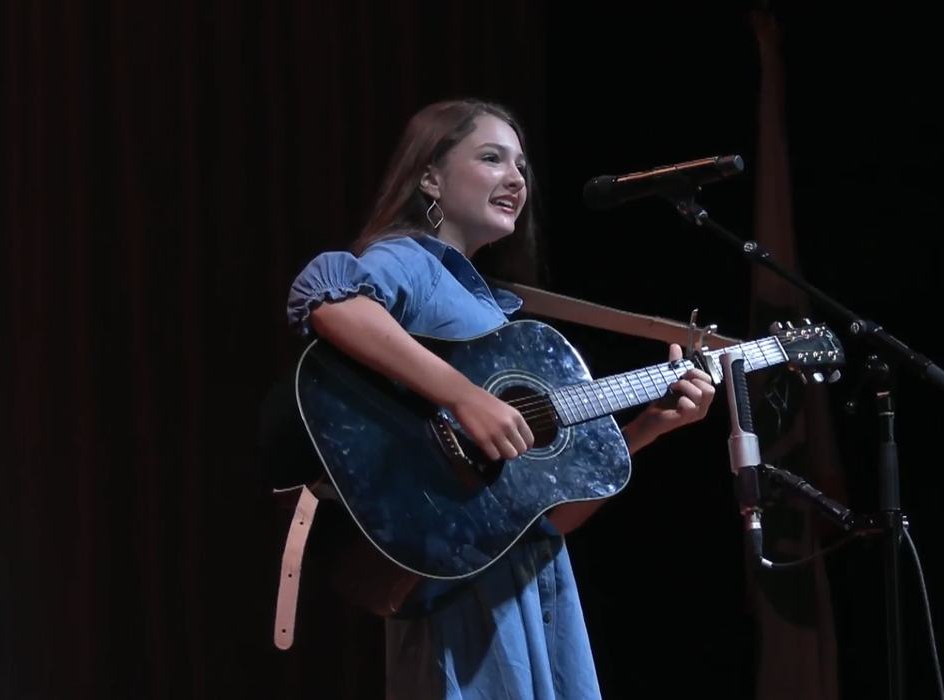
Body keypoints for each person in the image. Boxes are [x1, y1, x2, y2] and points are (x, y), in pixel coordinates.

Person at [284, 98, 716, 699]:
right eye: (491, 158)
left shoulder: (492, 312)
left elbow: (542, 520)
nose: (516, 179)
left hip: (534, 591)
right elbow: (325, 296)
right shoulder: (406, 261)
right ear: (429, 175)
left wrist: (646, 428)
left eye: (521, 167)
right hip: (460, 603)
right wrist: (465, 398)